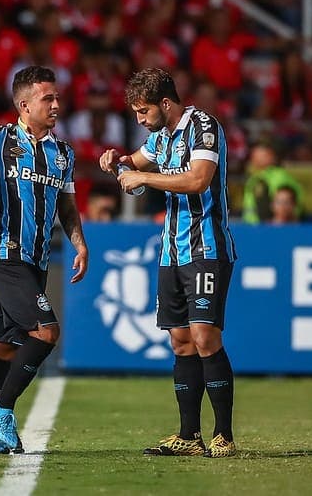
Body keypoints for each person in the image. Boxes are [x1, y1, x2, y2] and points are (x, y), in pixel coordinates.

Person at [99, 68, 237, 458]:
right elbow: (134, 160)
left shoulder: (203, 126)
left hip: (206, 248)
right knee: (180, 342)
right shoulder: (160, 138)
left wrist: (144, 178)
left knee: (204, 335)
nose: (139, 120)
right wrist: (116, 160)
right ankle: (188, 436)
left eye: (143, 112)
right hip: (170, 251)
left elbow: (198, 180)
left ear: (165, 103)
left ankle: (223, 433)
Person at [0, 66, 88, 455]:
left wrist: (79, 244)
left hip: (36, 262)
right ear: (24, 104)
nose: (56, 104)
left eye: (56, 97)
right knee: (47, 332)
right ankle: (2, 408)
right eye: (47, 98)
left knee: (4, 348)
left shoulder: (63, 152)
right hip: (4, 256)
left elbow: (66, 204)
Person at [242, 141, 304, 224]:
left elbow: (288, 204)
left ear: (272, 156)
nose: (254, 157)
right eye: (253, 154)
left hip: (271, 229)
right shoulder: (254, 178)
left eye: (261, 154)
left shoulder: (280, 176)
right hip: (249, 228)